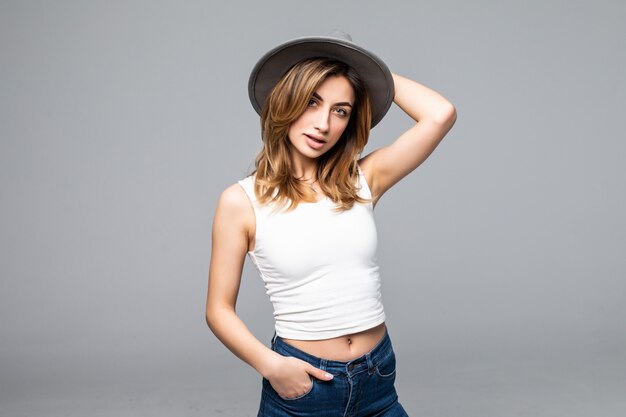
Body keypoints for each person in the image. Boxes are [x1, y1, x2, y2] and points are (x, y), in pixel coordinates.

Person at [206, 31, 456, 417]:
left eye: (340, 110)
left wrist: (364, 67)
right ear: (286, 103)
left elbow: (440, 114)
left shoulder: (363, 180)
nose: (322, 123)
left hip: (377, 378)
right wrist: (271, 366)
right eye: (311, 102)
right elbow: (218, 310)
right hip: (304, 387)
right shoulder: (240, 201)